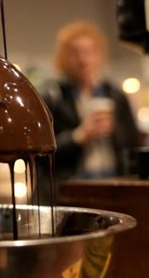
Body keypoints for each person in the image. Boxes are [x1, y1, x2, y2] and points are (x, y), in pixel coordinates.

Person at [38, 20, 141, 190]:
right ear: (63, 57)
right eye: (75, 53)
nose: (82, 59)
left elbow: (132, 144)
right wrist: (79, 137)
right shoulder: (53, 96)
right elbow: (41, 155)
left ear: (98, 55)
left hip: (113, 185)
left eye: (88, 52)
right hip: (70, 189)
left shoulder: (116, 95)